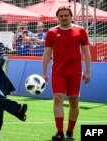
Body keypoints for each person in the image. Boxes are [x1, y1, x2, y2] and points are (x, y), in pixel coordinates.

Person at [42, 6, 91, 141]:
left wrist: (87, 71)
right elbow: (47, 53)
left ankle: (70, 131)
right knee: (58, 98)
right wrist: (44, 72)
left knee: (74, 101)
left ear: (71, 17)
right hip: (58, 72)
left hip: (75, 72)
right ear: (57, 17)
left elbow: (86, 52)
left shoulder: (80, 31)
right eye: (61, 16)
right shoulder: (51, 32)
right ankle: (59, 132)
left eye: (66, 15)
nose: (64, 18)